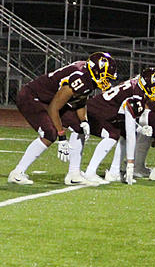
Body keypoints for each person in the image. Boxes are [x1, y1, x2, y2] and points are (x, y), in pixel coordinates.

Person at [8, 52, 115, 185]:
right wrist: (62, 137)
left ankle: (74, 174)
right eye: (105, 76)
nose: (107, 81)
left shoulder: (87, 76)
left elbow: (80, 100)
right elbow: (54, 108)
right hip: (32, 97)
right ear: (96, 71)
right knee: (49, 133)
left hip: (49, 99)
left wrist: (84, 121)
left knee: (78, 127)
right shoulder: (80, 78)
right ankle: (17, 173)